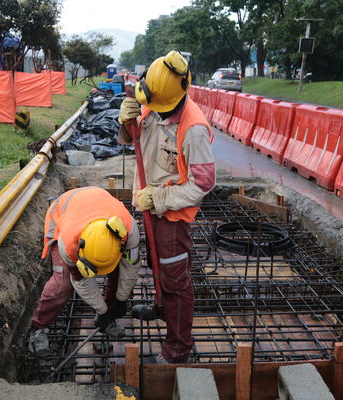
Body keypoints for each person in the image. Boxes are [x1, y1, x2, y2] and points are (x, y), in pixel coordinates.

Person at [117, 50, 215, 364]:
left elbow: (203, 184)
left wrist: (158, 199)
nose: (151, 110)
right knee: (156, 265)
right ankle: (161, 308)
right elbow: (132, 139)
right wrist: (125, 122)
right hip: (149, 206)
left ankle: (177, 349)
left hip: (171, 215)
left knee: (176, 280)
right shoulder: (153, 102)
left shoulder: (194, 129)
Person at [28, 186, 141, 356]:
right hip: (63, 210)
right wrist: (101, 309)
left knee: (119, 274)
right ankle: (38, 327)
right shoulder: (68, 244)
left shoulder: (129, 230)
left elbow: (130, 268)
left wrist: (120, 300)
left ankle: (108, 319)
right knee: (62, 282)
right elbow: (81, 281)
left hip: (97, 202)